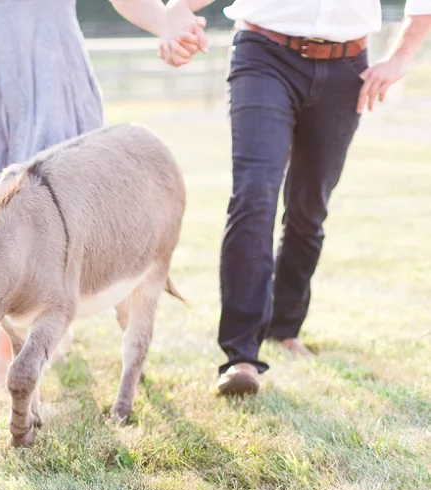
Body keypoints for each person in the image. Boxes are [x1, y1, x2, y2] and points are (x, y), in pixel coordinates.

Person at [0, 0, 205, 388]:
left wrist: (166, 25)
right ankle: (21, 339)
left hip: (56, 75)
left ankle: (105, 328)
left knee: (62, 218)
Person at [159, 0, 431, 396]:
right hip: (264, 55)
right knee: (255, 196)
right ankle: (241, 357)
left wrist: (401, 56)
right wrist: (178, 8)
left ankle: (285, 327)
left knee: (309, 208)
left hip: (347, 67)